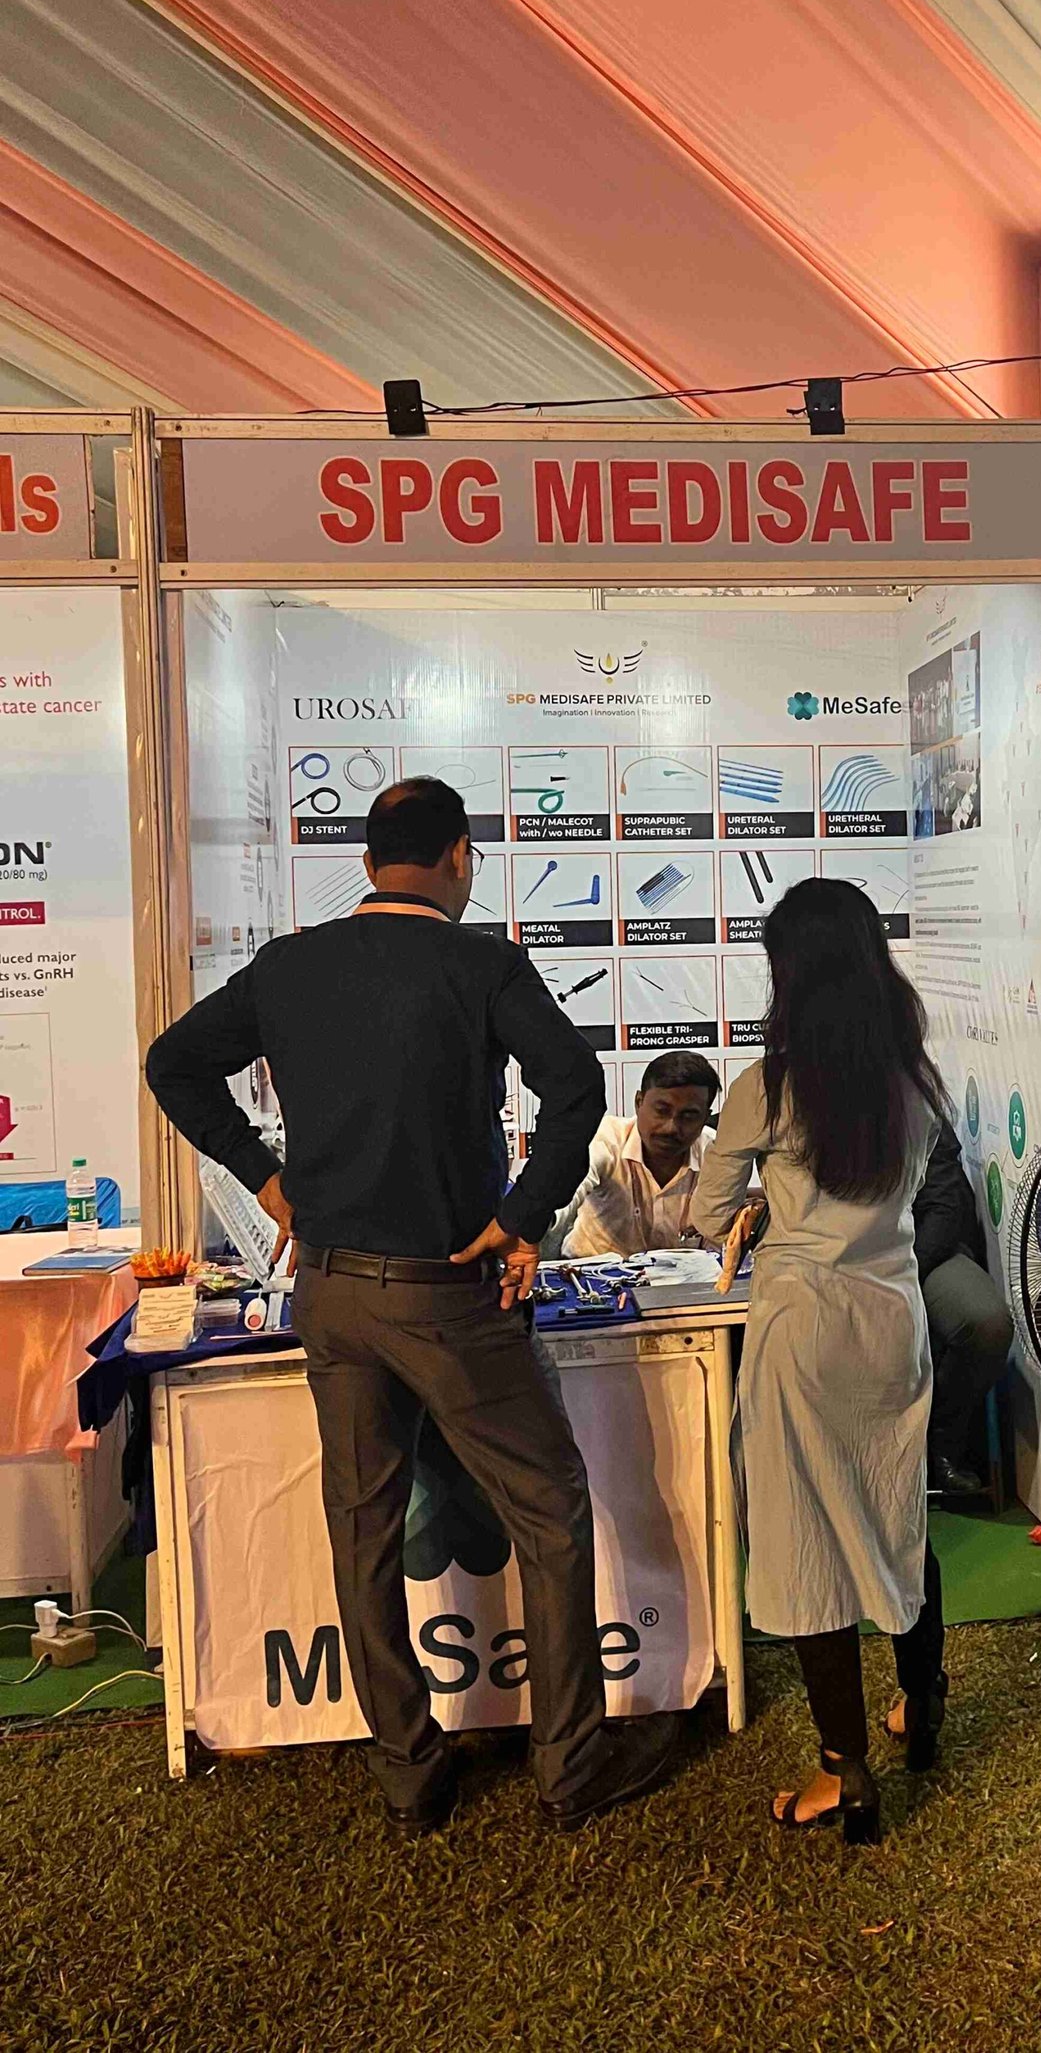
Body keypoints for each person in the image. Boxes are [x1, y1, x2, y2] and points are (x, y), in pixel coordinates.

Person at [144, 777, 676, 1836]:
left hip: (332, 1292)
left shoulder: (291, 964)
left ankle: (409, 1771)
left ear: (367, 859)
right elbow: (577, 1085)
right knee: (549, 1509)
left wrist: (264, 1175)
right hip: (448, 1297)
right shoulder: (480, 963)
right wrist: (522, 1217)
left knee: (363, 1528)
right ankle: (570, 1767)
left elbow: (173, 1063)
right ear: (460, 856)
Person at [689, 878, 946, 1845]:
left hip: (801, 1328)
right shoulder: (916, 1079)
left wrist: (764, 1206)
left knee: (805, 1543)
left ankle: (846, 1770)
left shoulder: (768, 1086)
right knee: (898, 1512)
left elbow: (708, 1214)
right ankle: (923, 1701)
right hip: (893, 1320)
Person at [914, 1117, 1013, 1499]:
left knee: (987, 1323)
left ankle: (944, 1445)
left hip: (923, 1253)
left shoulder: (916, 1104)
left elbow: (943, 1207)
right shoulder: (811, 1109)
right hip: (847, 1263)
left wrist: (905, 1273)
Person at [553, 1051, 720, 1257]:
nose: (671, 1127)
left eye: (688, 1116)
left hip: (684, 1274)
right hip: (589, 1270)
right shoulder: (605, 1138)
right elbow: (566, 1188)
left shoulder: (716, 1152)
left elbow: (722, 1238)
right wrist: (535, 1220)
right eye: (662, 1111)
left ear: (705, 1117)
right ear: (639, 1102)